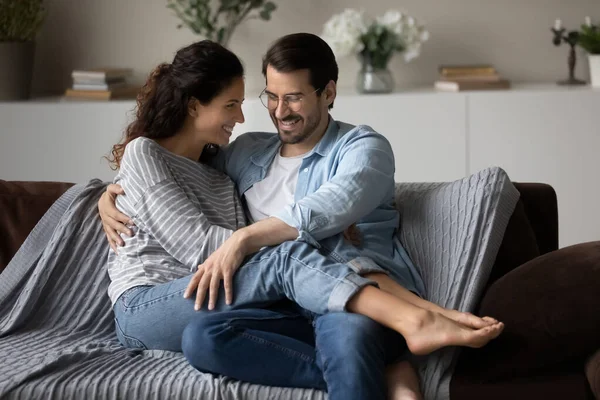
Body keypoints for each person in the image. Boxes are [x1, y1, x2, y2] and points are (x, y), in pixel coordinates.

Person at [100, 36, 503, 400]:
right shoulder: (242, 154)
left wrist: (255, 237)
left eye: (292, 97)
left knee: (342, 331)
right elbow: (168, 183)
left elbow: (328, 206)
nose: (277, 111)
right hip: (239, 297)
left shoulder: (361, 147)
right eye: (270, 97)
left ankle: (410, 327)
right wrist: (108, 196)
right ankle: (409, 335)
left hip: (344, 295)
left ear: (327, 93)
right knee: (205, 336)